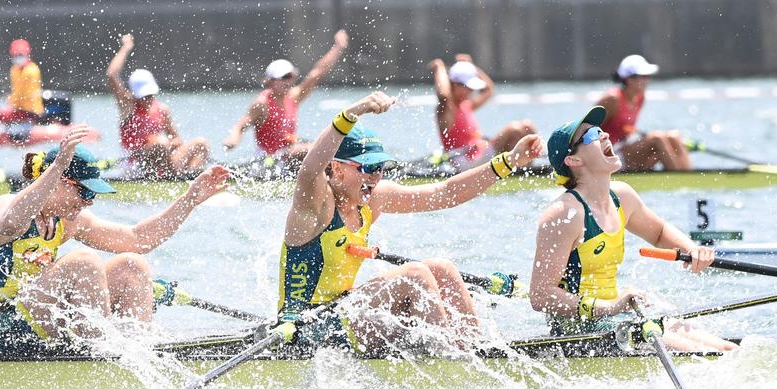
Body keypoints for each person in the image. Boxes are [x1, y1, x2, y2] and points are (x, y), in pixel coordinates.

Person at [279, 92, 544, 353]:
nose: (376, 177)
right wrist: (352, 113)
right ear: (337, 169)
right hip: (307, 327)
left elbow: (446, 193)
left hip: (346, 311)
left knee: (441, 268)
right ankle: (449, 357)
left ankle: (471, 349)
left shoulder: (374, 199)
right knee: (415, 274)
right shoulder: (316, 206)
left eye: (380, 168)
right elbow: (310, 169)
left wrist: (509, 162)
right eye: (368, 169)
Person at [0, 125, 229, 357]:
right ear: (59, 182)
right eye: (85, 192)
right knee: (83, 262)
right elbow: (11, 222)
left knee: (132, 266)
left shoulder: (68, 220)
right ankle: (102, 356)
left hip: (32, 323)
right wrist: (58, 166)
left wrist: (189, 200)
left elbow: (138, 239)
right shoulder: (4, 207)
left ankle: (135, 353)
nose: (89, 202)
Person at [529, 107, 732, 351]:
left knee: (729, 350)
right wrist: (610, 307)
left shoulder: (622, 196)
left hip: (616, 319)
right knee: (705, 355)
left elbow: (658, 233)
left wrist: (692, 249)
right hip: (578, 331)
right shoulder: (564, 214)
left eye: (601, 130)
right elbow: (540, 295)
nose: (604, 135)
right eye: (592, 135)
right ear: (573, 160)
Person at [224, 30, 350, 163]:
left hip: (288, 154)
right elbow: (240, 126)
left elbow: (317, 73)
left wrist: (338, 47)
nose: (288, 81)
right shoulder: (262, 104)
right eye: (283, 78)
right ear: (270, 81)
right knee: (312, 149)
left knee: (327, 143)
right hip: (268, 161)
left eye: (290, 77)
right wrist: (232, 141)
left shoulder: (293, 97)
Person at [106, 33, 210, 179]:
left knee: (201, 144)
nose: (148, 99)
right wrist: (126, 48)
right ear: (133, 94)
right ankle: (172, 179)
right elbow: (111, 76)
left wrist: (172, 144)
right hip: (134, 165)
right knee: (159, 144)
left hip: (162, 161)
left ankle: (193, 179)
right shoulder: (128, 107)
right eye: (143, 96)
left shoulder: (162, 109)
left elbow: (177, 140)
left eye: (150, 94)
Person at [429, 54, 536, 172]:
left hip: (480, 153)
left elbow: (489, 90)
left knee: (527, 127)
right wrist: (439, 68)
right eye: (467, 87)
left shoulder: (466, 104)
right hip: (463, 161)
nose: (471, 91)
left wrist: (472, 67)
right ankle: (525, 171)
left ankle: (526, 167)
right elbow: (444, 96)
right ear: (454, 84)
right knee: (514, 129)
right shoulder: (447, 109)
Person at [594, 54, 692, 172]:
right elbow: (587, 128)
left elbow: (624, 129)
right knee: (657, 138)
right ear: (629, 79)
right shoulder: (612, 99)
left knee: (673, 136)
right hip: (607, 154)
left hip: (624, 148)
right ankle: (679, 179)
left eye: (647, 76)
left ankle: (689, 176)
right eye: (643, 76)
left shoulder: (640, 98)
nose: (647, 81)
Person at [0, 38, 44, 125]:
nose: (18, 58)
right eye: (16, 55)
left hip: (30, 112)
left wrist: (11, 103)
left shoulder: (31, 71)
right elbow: (16, 93)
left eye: (20, 55)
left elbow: (23, 95)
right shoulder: (14, 69)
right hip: (19, 109)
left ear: (27, 55)